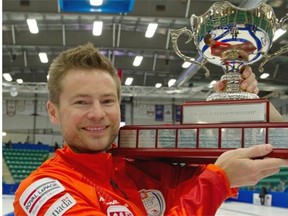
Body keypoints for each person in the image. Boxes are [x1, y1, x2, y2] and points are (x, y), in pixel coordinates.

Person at [13, 43, 287, 215]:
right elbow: (216, 178)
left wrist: (250, 109)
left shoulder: (141, 168)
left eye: (107, 100)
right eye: (81, 102)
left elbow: (242, 162)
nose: (97, 113)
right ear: (53, 111)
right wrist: (217, 181)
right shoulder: (41, 189)